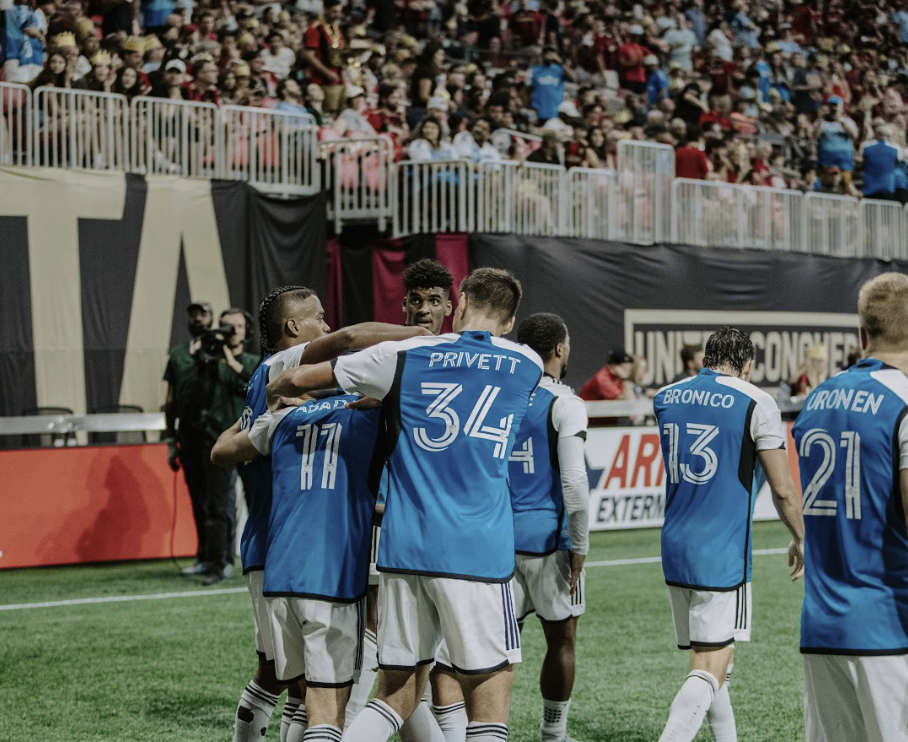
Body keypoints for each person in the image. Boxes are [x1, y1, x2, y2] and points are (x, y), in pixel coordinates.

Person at [266, 268, 544, 742]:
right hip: (477, 549)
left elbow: (295, 379)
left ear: (458, 304)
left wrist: (286, 392)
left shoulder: (401, 355)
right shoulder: (526, 362)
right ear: (511, 321)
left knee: (395, 693)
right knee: (490, 690)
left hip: (403, 547)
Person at [212, 286, 432, 742]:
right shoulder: (283, 366)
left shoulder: (274, 398)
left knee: (291, 685)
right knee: (320, 695)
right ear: (294, 327)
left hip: (276, 551)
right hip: (310, 550)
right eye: (319, 318)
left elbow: (221, 450)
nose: (328, 326)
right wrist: (421, 336)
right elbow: (349, 339)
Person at [653, 327, 805, 742]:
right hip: (721, 549)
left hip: (675, 542)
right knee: (710, 665)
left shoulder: (665, 397)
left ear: (706, 359)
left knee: (717, 660)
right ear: (749, 365)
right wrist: (801, 537)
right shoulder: (757, 401)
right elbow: (783, 488)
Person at [792, 272, 908, 742]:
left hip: (821, 624)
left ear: (862, 333)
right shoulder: (903, 401)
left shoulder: (817, 398)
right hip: (889, 625)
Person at [508, 313, 589, 742]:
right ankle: (553, 734)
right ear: (559, 348)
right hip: (548, 542)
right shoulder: (565, 403)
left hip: (498, 538)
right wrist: (580, 544)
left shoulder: (501, 396)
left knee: (495, 649)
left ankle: (484, 730)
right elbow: (574, 482)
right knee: (562, 639)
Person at [164, 301, 215, 575]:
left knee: (218, 500)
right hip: (189, 435)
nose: (197, 318)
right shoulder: (177, 355)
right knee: (198, 498)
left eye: (202, 313)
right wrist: (170, 441)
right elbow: (170, 400)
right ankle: (203, 554)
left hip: (215, 433)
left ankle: (221, 557)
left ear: (211, 317)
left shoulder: (219, 350)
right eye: (193, 314)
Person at [302, 0, 347, 114]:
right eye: (334, 12)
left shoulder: (336, 28)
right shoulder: (315, 28)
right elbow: (308, 55)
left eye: (339, 12)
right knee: (327, 113)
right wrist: (327, 72)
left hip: (338, 78)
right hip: (322, 80)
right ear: (326, 10)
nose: (338, 15)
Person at [527, 46, 572, 123]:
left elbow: (573, 78)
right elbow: (527, 90)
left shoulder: (559, 69)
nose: (548, 55)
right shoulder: (534, 70)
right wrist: (530, 107)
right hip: (538, 110)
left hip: (556, 111)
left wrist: (559, 61)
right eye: (546, 53)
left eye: (551, 53)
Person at [861, 120, 901, 200]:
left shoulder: (865, 146)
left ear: (875, 134)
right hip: (887, 187)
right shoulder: (895, 148)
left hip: (869, 187)